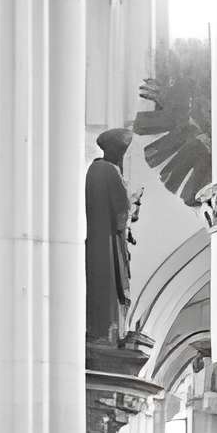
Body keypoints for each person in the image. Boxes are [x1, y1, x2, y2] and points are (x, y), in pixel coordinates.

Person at [86, 127, 137, 345]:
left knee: (98, 284)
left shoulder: (93, 170)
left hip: (96, 241)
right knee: (111, 289)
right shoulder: (111, 171)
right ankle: (110, 332)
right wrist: (134, 202)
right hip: (110, 245)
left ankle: (99, 329)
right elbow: (121, 214)